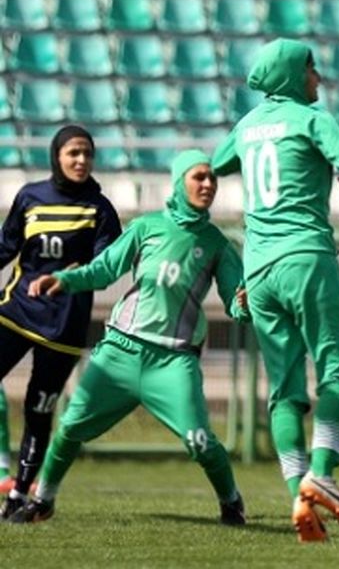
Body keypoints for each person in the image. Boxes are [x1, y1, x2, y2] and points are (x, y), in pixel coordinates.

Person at [7, 151, 249, 525]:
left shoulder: (217, 244)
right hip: (120, 351)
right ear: (178, 181)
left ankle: (231, 502)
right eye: (199, 176)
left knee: (199, 441)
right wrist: (66, 280)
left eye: (212, 178)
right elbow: (104, 270)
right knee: (70, 427)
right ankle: (43, 500)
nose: (207, 184)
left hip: (173, 361)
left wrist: (242, 303)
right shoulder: (146, 226)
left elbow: (236, 300)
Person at [212, 38, 339, 542]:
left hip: (257, 270)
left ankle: (298, 499)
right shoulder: (313, 119)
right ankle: (322, 475)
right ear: (291, 73)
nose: (318, 77)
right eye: (311, 68)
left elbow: (215, 164)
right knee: (337, 371)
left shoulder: (246, 126)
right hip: (305, 257)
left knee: (283, 390)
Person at [0, 126, 121, 519]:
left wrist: (79, 269)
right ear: (57, 156)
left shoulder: (100, 209)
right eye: (73, 153)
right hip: (16, 312)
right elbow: (7, 247)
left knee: (39, 411)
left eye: (87, 153)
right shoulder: (30, 197)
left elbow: (106, 268)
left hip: (64, 327)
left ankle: (19, 496)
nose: (81, 160)